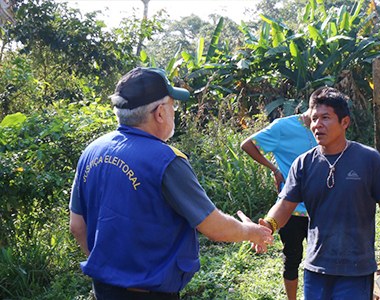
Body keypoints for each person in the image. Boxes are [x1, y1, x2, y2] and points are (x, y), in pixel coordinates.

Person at [68, 67, 273, 299]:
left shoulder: (92, 151)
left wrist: (109, 271)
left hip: (103, 290)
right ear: (159, 112)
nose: (174, 112)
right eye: (172, 106)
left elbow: (77, 226)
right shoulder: (166, 161)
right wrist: (253, 232)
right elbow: (214, 228)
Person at [258, 87, 380, 299]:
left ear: (345, 122)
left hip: (356, 268)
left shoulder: (368, 160)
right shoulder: (304, 163)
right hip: (316, 267)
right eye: (314, 118)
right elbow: (285, 205)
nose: (317, 125)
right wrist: (267, 226)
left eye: (326, 118)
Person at [240, 106, 317, 299]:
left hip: (321, 208)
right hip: (290, 210)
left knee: (322, 261)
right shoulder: (283, 127)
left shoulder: (327, 130)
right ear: (312, 107)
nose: (320, 122)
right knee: (292, 259)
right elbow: (247, 144)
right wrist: (274, 169)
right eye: (318, 115)